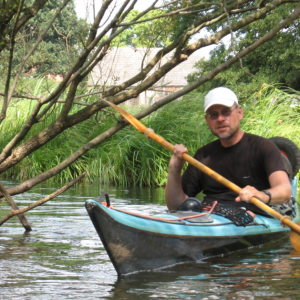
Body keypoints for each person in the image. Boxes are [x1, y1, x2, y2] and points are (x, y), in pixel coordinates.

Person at [165, 87, 292, 222]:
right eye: (214, 115)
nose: (220, 119)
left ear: (239, 112)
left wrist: (262, 195)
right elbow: (175, 205)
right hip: (212, 214)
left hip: (252, 214)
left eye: (226, 112)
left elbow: (284, 190)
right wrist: (174, 168)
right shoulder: (203, 155)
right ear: (207, 120)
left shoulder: (263, 147)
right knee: (190, 205)